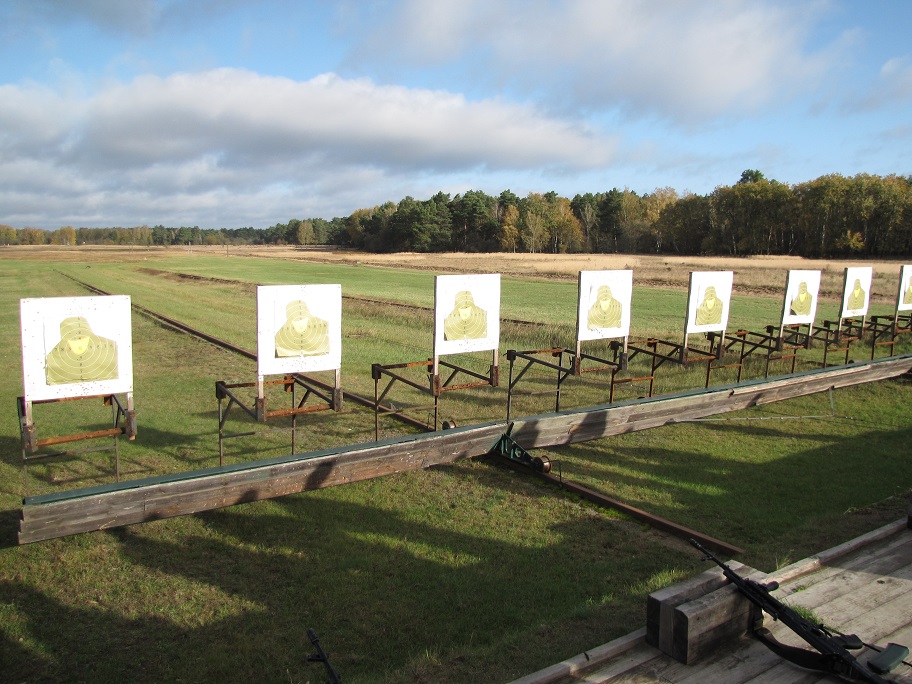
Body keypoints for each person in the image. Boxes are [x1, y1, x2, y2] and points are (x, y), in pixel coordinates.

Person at [45, 316, 118, 385]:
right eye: (73, 339)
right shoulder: (53, 356)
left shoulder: (108, 346)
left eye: (82, 339)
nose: (79, 345)